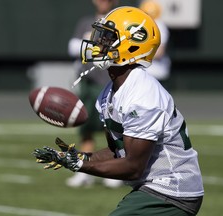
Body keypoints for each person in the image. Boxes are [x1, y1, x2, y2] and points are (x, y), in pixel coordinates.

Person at [33, 6, 204, 215]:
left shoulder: (142, 95)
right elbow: (118, 151)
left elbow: (133, 167)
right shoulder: (109, 93)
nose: (98, 43)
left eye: (107, 38)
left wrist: (78, 165)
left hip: (172, 191)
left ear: (131, 47)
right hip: (153, 189)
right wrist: (78, 157)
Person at [67, 0, 122, 188]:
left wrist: (91, 45)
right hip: (88, 83)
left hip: (109, 82)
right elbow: (73, 47)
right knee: (85, 127)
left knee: (112, 128)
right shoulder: (86, 21)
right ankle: (85, 171)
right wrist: (97, 44)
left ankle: (113, 170)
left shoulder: (119, 22)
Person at [139, 0, 171, 83]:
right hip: (144, 72)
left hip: (157, 73)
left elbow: (159, 52)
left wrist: (138, 54)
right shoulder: (142, 25)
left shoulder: (159, 25)